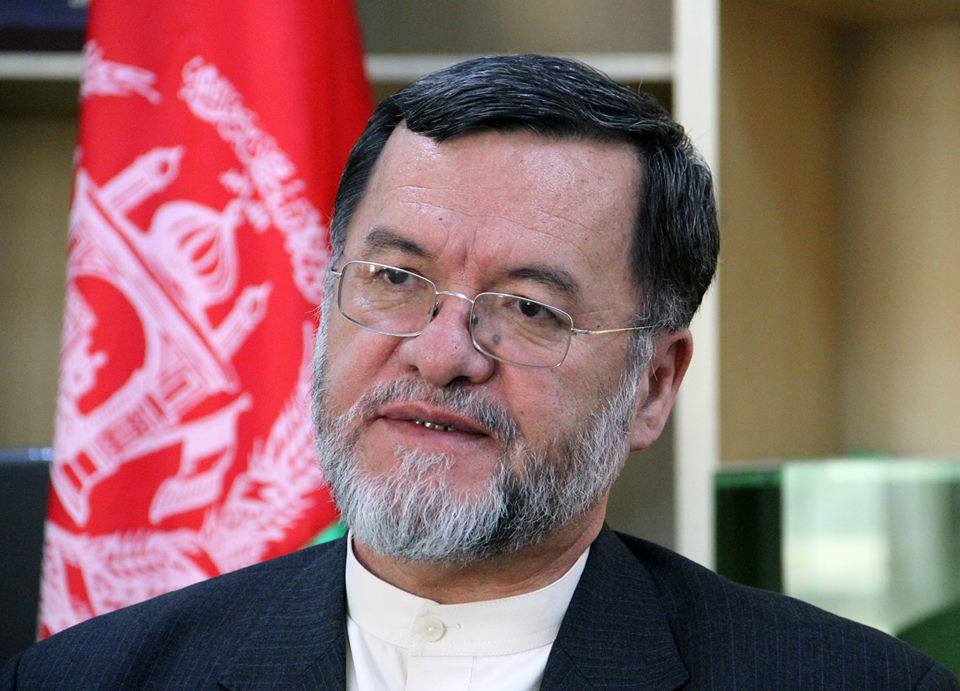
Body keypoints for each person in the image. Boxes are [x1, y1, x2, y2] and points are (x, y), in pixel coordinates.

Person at [3, 54, 957, 690]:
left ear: (654, 385)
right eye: (394, 278)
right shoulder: (86, 679)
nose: (441, 353)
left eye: (530, 308)